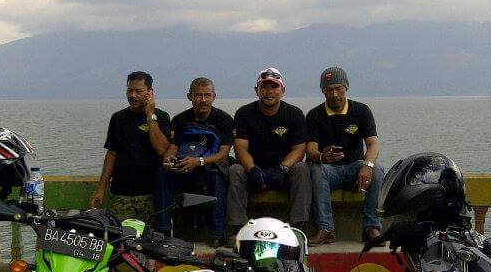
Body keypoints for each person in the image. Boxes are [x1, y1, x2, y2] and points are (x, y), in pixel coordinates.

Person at [227, 67, 311, 237]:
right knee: (235, 170)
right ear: (256, 90)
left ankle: (298, 227)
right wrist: (252, 170)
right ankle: (237, 229)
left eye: (274, 87)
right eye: (264, 87)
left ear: (283, 90)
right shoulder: (244, 113)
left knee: (302, 169)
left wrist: (282, 169)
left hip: (283, 172)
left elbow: (299, 149)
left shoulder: (294, 114)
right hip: (253, 171)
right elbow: (240, 148)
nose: (269, 91)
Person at [306, 66, 385, 246]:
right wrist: (322, 156)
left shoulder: (361, 110)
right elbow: (310, 150)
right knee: (317, 169)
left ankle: (371, 227)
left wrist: (367, 165)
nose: (334, 94)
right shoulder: (314, 115)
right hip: (329, 171)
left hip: (354, 168)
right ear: (323, 90)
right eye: (329, 89)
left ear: (346, 87)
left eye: (338, 89)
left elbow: (373, 144)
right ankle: (325, 228)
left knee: (378, 169)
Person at [154, 77, 233, 247]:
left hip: (209, 167)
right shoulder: (180, 120)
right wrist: (168, 160)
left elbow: (223, 154)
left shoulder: (224, 120)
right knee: (162, 173)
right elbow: (173, 147)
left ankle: (217, 234)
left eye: (207, 95)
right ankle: (163, 229)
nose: (203, 100)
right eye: (198, 95)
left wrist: (199, 161)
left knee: (218, 177)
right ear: (190, 96)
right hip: (184, 166)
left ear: (214, 97)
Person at [90, 71, 170, 222]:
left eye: (138, 91)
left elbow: (162, 150)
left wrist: (150, 116)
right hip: (121, 194)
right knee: (119, 236)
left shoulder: (162, 117)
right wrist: (101, 189)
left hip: (151, 194)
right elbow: (112, 154)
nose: (133, 95)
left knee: (149, 236)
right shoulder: (118, 118)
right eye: (129, 90)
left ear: (150, 92)